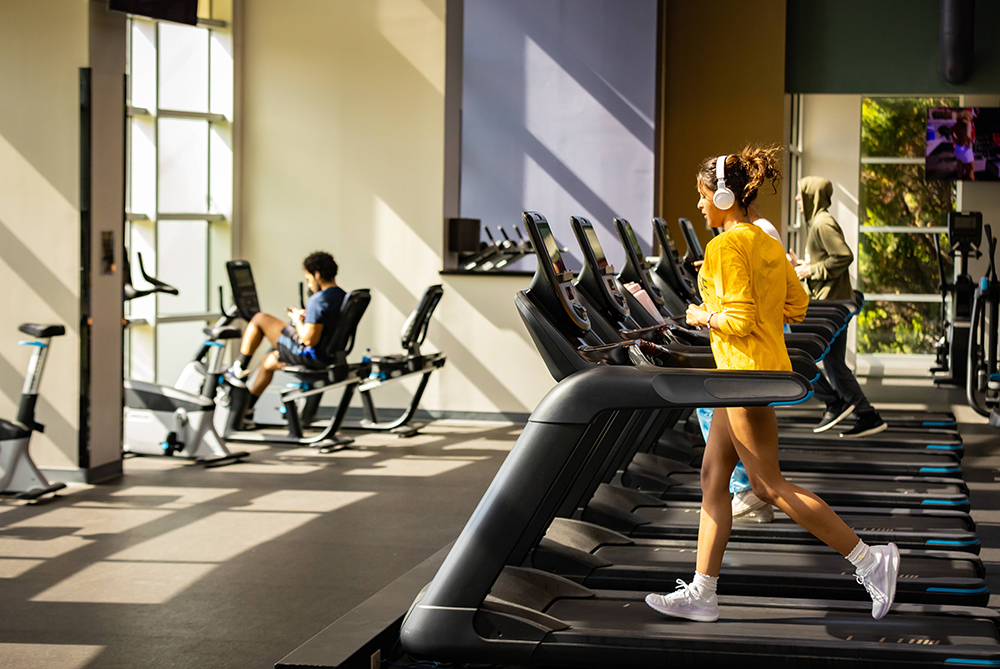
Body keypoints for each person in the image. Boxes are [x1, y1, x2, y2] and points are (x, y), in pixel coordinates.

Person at [645, 147, 898, 623]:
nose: (699, 206)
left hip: (744, 376)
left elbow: (737, 319)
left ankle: (869, 559)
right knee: (713, 479)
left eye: (702, 197)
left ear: (723, 195)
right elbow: (796, 304)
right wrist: (741, 297)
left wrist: (702, 314)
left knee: (767, 484)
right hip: (748, 371)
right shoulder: (764, 239)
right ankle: (703, 591)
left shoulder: (723, 246)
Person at [794, 177, 887, 437]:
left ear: (812, 195)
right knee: (834, 363)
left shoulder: (822, 223)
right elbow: (824, 259)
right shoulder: (817, 223)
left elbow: (844, 256)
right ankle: (865, 414)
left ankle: (845, 405)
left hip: (833, 303)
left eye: (801, 195)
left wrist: (810, 270)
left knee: (824, 362)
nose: (797, 200)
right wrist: (802, 264)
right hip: (830, 300)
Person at [224, 251, 347, 427]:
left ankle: (239, 369)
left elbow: (308, 340)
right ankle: (247, 410)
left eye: (308, 278)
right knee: (269, 360)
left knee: (259, 319)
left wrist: (297, 320)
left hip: (311, 355)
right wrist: (307, 317)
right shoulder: (342, 295)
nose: (309, 283)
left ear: (317, 275)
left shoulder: (318, 300)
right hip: (330, 353)